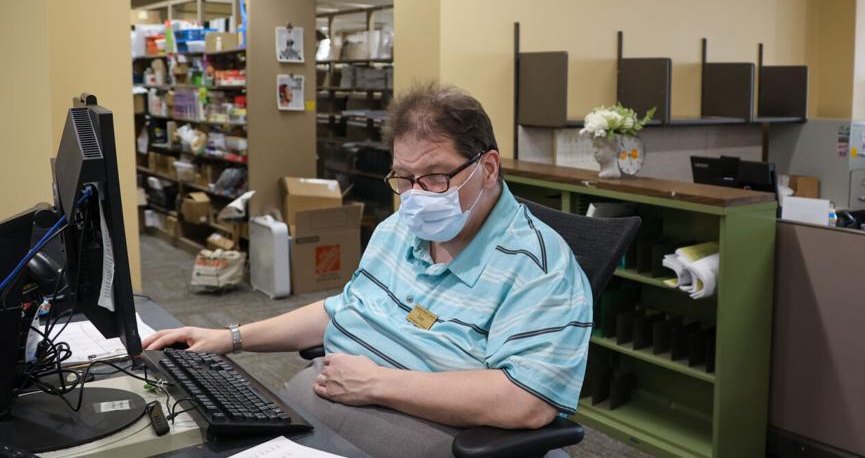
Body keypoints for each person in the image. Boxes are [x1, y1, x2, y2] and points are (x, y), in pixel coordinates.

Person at [143, 83, 593, 456]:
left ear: (488, 167)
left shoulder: (540, 266)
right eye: (403, 179)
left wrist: (378, 383)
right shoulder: (401, 228)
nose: (416, 196)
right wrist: (231, 338)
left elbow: (525, 402)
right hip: (338, 402)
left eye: (435, 177)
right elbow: (343, 310)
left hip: (441, 433)